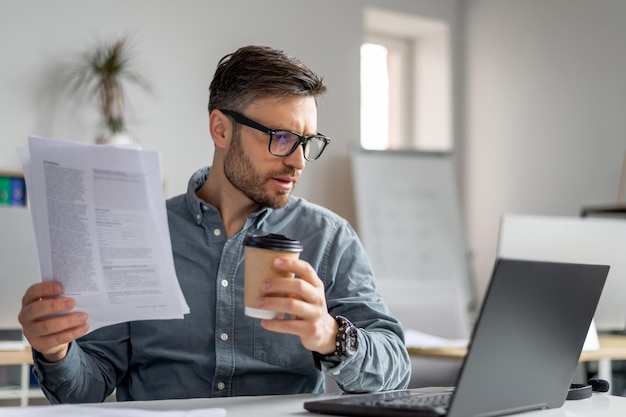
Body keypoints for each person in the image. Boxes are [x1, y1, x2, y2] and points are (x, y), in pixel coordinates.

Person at [18, 45, 411, 403]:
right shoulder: (138, 232)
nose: (298, 161)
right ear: (221, 129)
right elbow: (87, 387)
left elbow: (395, 371)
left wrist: (330, 335)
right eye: (281, 138)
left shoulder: (329, 239)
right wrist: (56, 352)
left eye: (307, 142)